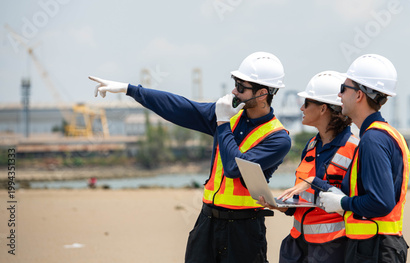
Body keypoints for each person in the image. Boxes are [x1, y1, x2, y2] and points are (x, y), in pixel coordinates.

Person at [89, 51, 292, 263]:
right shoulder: (228, 115)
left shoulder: (277, 139)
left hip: (244, 230)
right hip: (207, 221)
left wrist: (222, 123)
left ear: (261, 94)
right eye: (235, 83)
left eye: (241, 87)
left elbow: (234, 168)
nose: (234, 91)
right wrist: (130, 89)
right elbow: (180, 107)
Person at [318, 54, 410, 263]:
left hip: (373, 248)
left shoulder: (373, 139)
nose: (339, 95)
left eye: (343, 88)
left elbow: (380, 201)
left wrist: (343, 202)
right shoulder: (385, 134)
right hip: (379, 244)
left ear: (359, 95)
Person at [258, 71, 358, 263]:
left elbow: (354, 204)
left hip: (331, 249)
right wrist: (281, 206)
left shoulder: (355, 149)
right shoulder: (311, 146)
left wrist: (315, 182)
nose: (302, 108)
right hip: (296, 246)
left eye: (307, 103)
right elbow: (304, 203)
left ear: (323, 109)